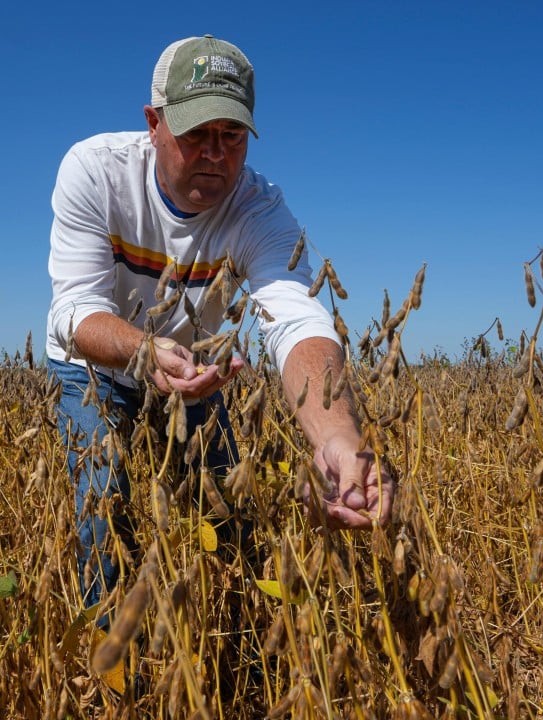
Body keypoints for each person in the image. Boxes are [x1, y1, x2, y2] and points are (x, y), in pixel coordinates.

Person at [45, 35, 394, 613]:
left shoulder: (260, 209)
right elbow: (72, 312)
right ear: (153, 123)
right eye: (196, 133)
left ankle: (241, 641)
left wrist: (336, 437)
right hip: (96, 369)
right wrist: (145, 352)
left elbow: (294, 318)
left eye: (232, 136)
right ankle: (112, 673)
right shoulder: (95, 172)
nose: (215, 154)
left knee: (229, 515)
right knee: (103, 514)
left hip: (195, 373)